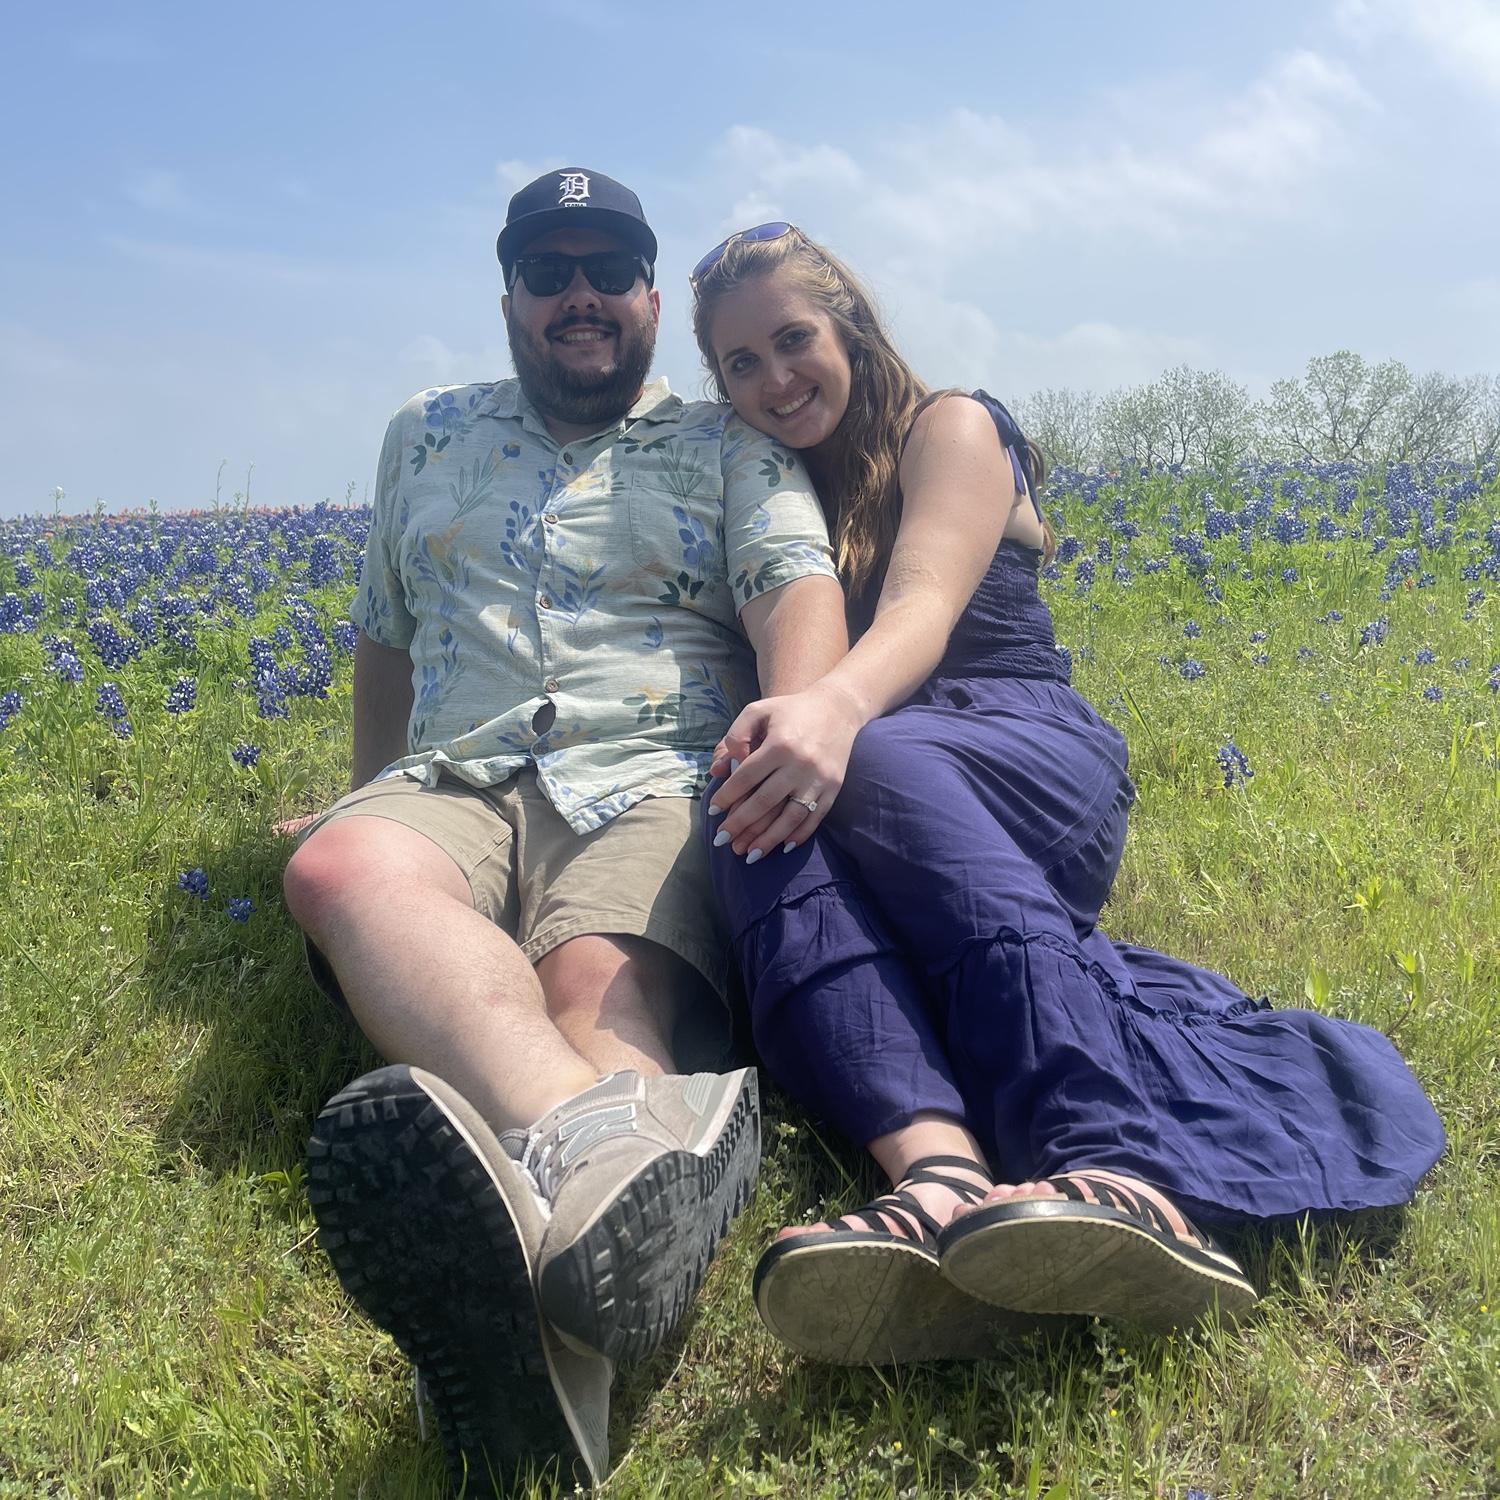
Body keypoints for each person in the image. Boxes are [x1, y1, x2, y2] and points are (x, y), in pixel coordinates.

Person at [688, 222, 1446, 1365]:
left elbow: (922, 615)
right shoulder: (769, 495)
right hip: (870, 774)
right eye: (738, 363)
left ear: (848, 322)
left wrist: (832, 715)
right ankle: (934, 1174)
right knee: (751, 810)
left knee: (867, 757)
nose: (773, 377)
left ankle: (1111, 1156)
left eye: (792, 338)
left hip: (1019, 751)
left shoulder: (952, 424)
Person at [283, 174, 846, 1490]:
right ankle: (612, 1154)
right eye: (549, 271)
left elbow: (795, 590)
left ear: (651, 296)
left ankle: (545, 1347)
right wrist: (368, 786)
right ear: (511, 301)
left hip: (650, 774)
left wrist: (809, 716)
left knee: (593, 986)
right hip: (457, 775)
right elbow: (383, 629)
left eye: (608, 267)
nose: (579, 293)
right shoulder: (422, 433)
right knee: (339, 861)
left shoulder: (727, 441)